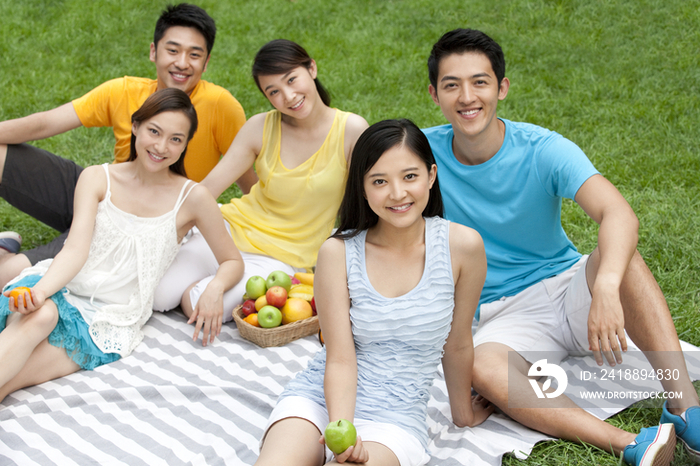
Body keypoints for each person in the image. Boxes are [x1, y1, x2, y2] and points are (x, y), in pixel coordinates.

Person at [423, 28, 699, 465]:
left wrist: (605, 289)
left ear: (502, 88)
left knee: (621, 259)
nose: (467, 96)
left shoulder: (542, 148)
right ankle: (631, 444)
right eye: (452, 85)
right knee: (480, 366)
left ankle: (685, 407)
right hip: (501, 314)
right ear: (434, 94)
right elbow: (371, 194)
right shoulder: (421, 157)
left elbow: (619, 215)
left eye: (480, 82)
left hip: (568, 287)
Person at [254, 119, 491, 466]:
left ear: (431, 175)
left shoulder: (463, 247)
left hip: (393, 419)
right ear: (363, 188)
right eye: (379, 181)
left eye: (409, 176)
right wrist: (343, 432)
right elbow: (339, 355)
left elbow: (457, 343)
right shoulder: (338, 252)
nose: (397, 193)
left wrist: (463, 414)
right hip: (321, 400)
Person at [0, 88, 243, 404]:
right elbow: (75, 250)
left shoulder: (193, 198)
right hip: (57, 287)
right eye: (154, 131)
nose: (161, 146)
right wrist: (41, 292)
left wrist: (214, 289)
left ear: (185, 145)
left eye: (175, 139)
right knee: (43, 315)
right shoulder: (97, 178)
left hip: (109, 320)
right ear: (136, 126)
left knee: (9, 381)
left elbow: (232, 261)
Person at [0, 3, 254, 289]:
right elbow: (44, 123)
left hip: (143, 228)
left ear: (206, 63)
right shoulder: (122, 91)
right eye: (172, 50)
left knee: (9, 278)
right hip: (102, 194)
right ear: (153, 52)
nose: (182, 63)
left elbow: (248, 179)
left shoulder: (221, 106)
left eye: (194, 55)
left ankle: (7, 253)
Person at [153, 39, 369, 329]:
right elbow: (206, 189)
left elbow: (367, 204)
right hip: (229, 230)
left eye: (292, 80)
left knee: (197, 303)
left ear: (312, 69)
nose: (289, 96)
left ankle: (210, 279)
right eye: (274, 92)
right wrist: (163, 234)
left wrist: (216, 285)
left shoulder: (352, 130)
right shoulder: (261, 127)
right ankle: (200, 264)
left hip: (282, 257)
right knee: (157, 296)